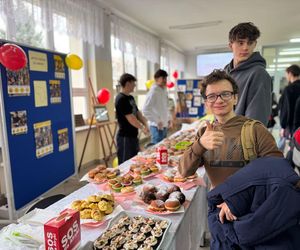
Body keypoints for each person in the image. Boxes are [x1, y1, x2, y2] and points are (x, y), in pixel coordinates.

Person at [178, 70, 283, 222]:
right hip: (218, 210)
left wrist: (237, 200)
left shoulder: (255, 130)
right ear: (206, 102)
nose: (219, 100)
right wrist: (200, 145)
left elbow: (278, 172)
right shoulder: (204, 132)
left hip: (251, 210)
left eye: (225, 94)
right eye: (212, 96)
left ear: (235, 98)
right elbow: (184, 171)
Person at [224, 22, 272, 126]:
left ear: (255, 44)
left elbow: (256, 121)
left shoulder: (259, 74)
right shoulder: (225, 73)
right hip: (224, 136)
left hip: (242, 139)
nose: (246, 48)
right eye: (241, 43)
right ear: (230, 45)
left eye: (250, 43)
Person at [115, 73, 149, 164]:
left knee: (134, 161)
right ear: (128, 83)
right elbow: (131, 118)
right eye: (133, 83)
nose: (135, 85)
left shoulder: (130, 97)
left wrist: (146, 124)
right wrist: (142, 127)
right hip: (125, 137)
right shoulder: (121, 99)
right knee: (125, 163)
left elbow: (137, 113)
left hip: (133, 135)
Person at [142, 69, 171, 144]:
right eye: (163, 78)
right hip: (156, 127)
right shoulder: (153, 92)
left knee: (163, 148)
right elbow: (145, 110)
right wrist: (157, 120)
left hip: (164, 125)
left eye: (165, 78)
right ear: (156, 79)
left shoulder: (164, 90)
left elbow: (165, 107)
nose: (165, 80)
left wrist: (169, 118)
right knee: (157, 150)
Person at [279, 64, 300, 137]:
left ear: (290, 73)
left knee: (286, 145)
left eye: (286, 74)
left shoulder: (289, 89)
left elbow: (285, 109)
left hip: (291, 125)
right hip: (298, 124)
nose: (286, 77)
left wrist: (283, 126)